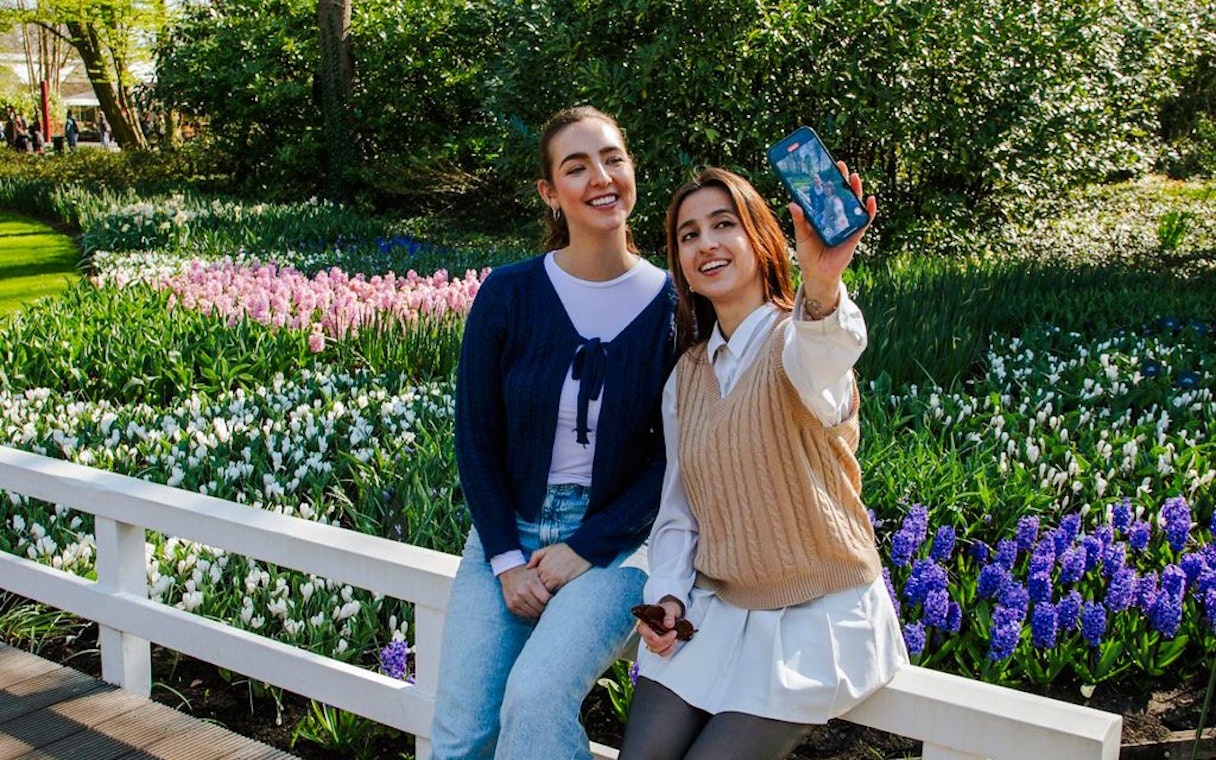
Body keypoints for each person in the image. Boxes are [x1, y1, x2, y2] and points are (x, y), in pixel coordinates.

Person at [619, 166, 907, 760]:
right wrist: (669, 597)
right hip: (717, 613)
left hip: (815, 618)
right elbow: (680, 512)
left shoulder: (796, 343)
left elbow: (828, 355)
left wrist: (823, 286)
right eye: (689, 234)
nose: (707, 244)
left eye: (724, 225)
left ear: (761, 239)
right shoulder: (687, 378)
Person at [429, 105, 677, 760]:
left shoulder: (676, 306)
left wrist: (589, 545)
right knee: (462, 735)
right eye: (577, 166)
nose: (601, 177)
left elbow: (674, 456)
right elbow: (475, 438)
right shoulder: (508, 295)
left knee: (535, 700)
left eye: (613, 158)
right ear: (550, 192)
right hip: (505, 536)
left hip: (619, 548)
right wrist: (507, 560)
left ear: (631, 170)